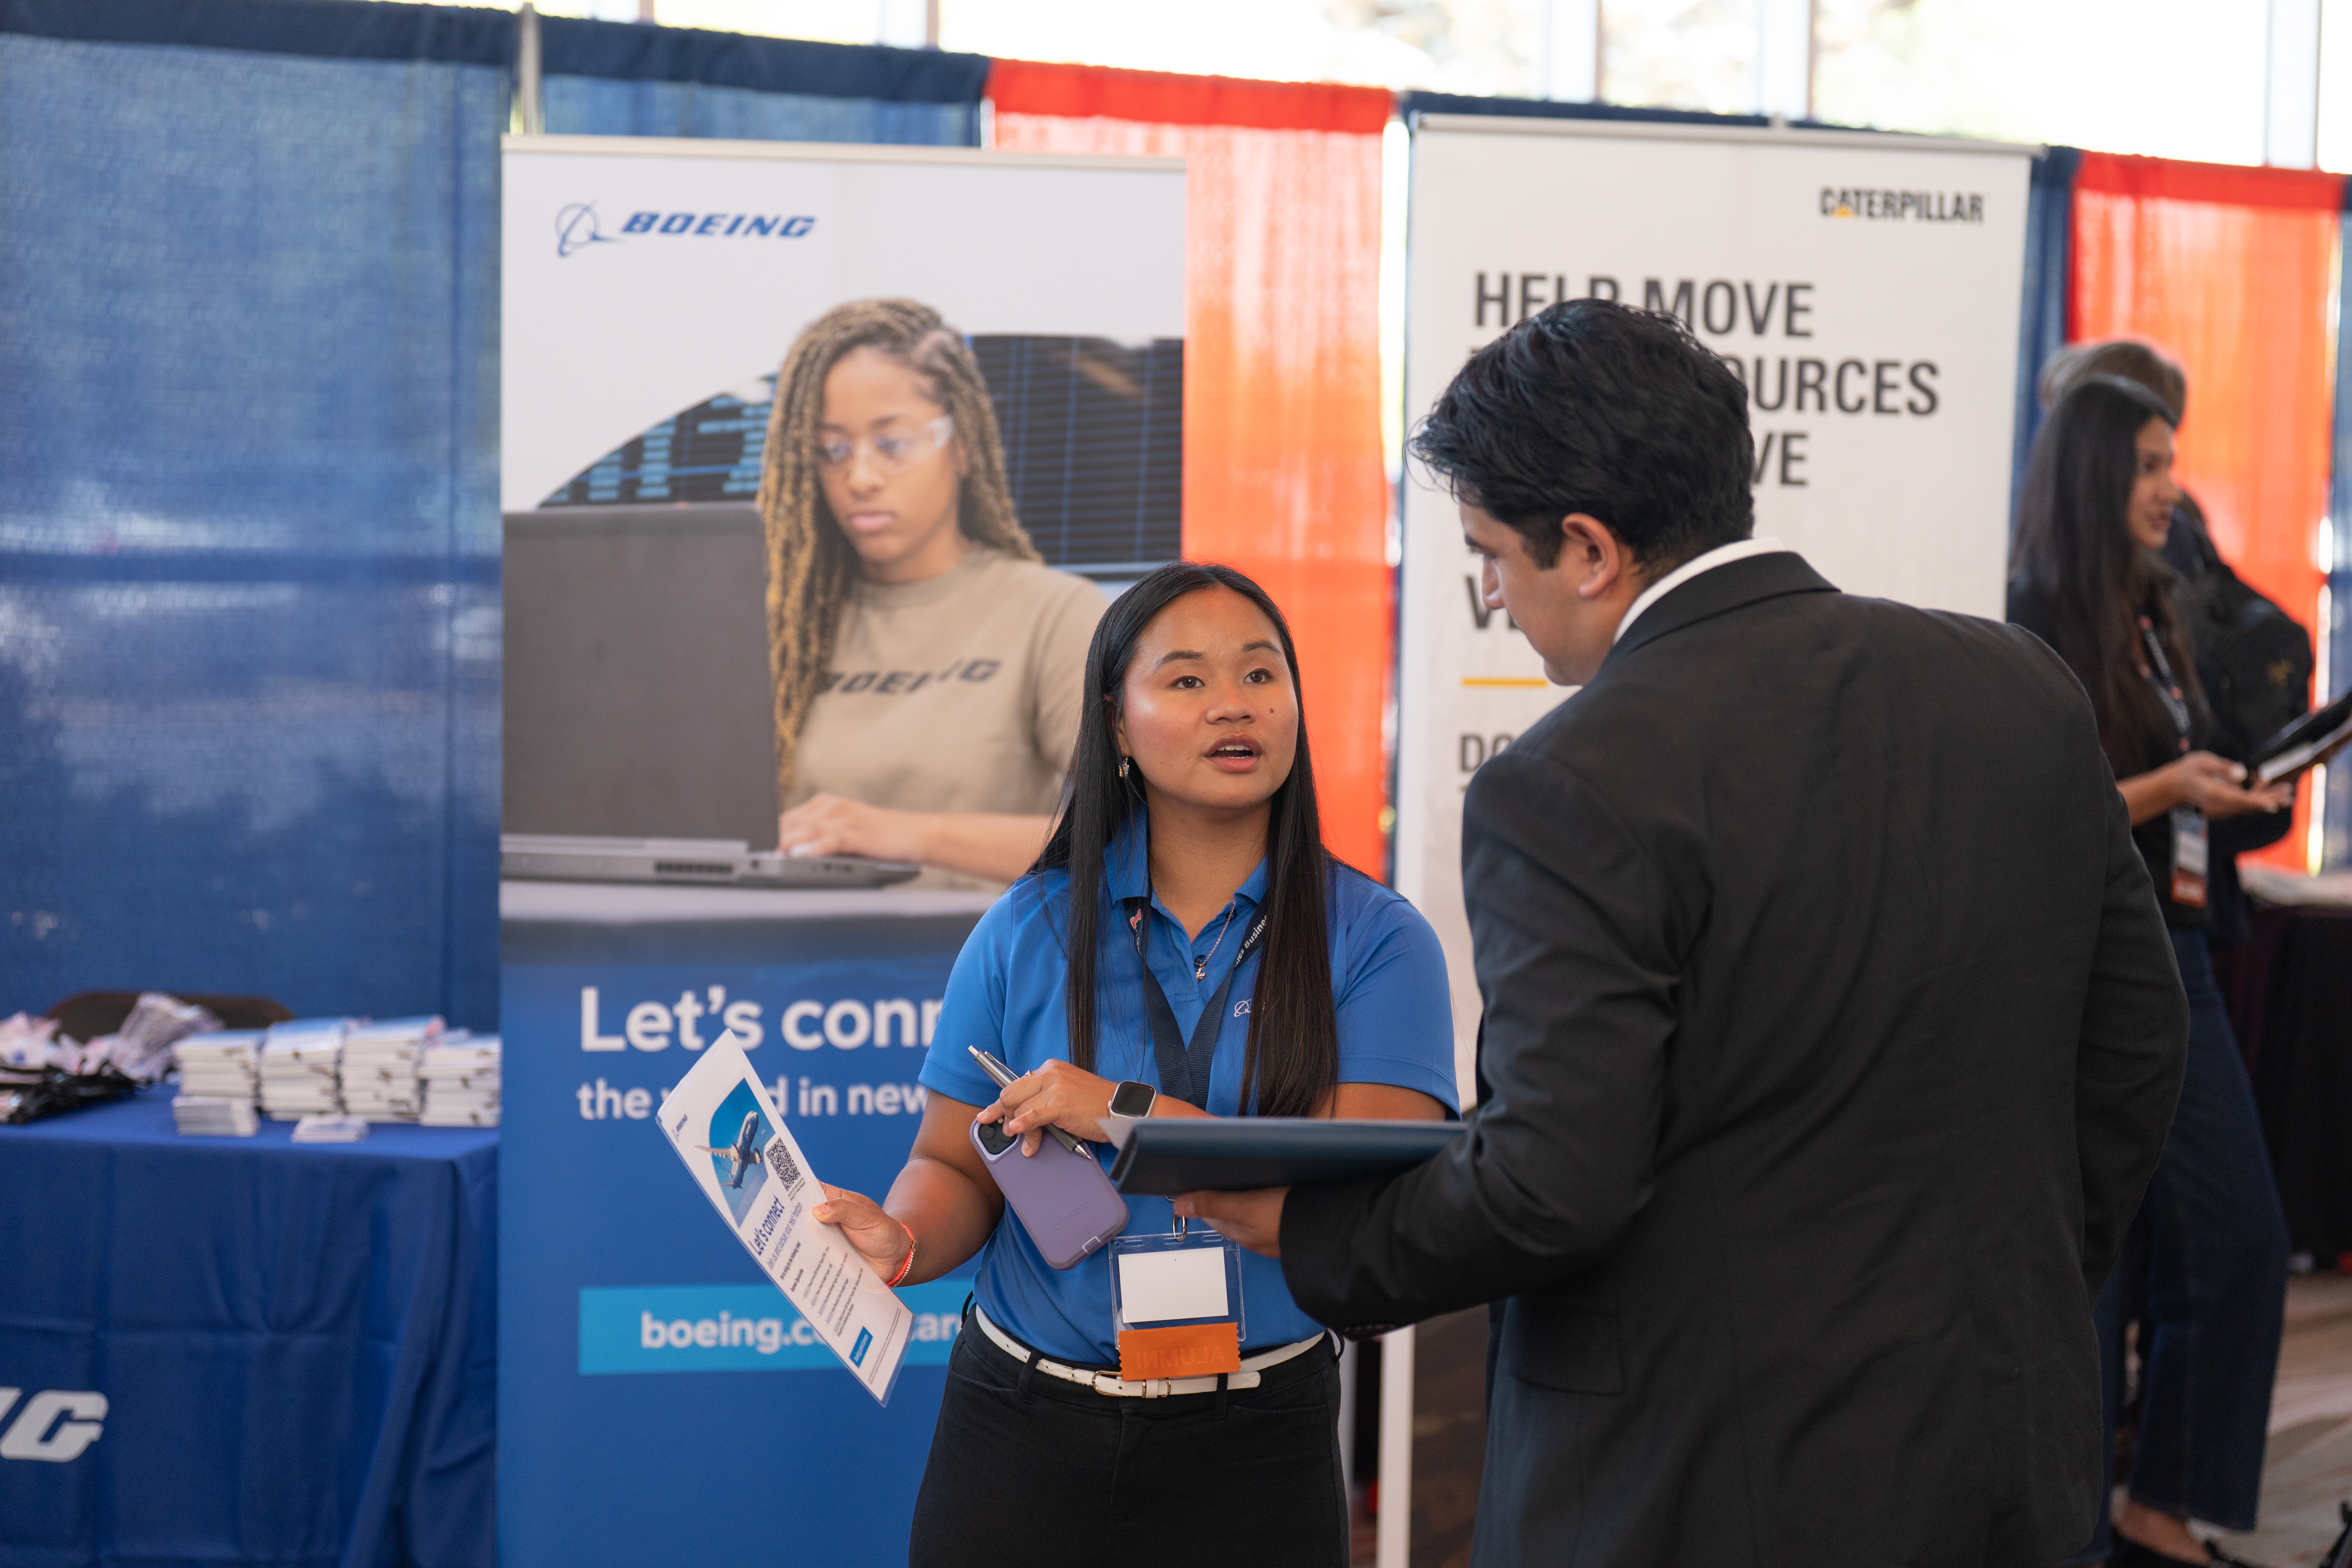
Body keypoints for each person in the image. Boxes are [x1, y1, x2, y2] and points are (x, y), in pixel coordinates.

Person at [1179, 299, 2189, 1568]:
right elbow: (2143, 1047)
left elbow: (1554, 1184)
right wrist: (2014, 1279)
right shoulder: (2018, 685)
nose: (1492, 594)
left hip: (1704, 1486)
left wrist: (1313, 1229)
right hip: (2007, 1448)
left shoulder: (1570, 783)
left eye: (1492, 554)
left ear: (1590, 549)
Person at [808, 562, 1459, 1568]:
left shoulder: (1375, 938)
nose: (1232, 704)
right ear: (1116, 724)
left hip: (1259, 1437)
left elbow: (1363, 1174)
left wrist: (1121, 1109)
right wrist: (899, 1241)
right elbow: (954, 1162)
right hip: (1022, 1426)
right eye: (1187, 680)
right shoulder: (1025, 927)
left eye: (1261, 674)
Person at [2009, 372, 2294, 1568]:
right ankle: (2089, 1528)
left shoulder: (2154, 607)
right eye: (2150, 465)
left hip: (2175, 938)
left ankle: (2160, 1508)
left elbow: (2170, 780)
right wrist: (2176, 788)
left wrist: (2224, 791)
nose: (2173, 487)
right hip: (2090, 965)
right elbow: (2037, 810)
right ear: (2094, 476)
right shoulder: (2034, 616)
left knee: (2227, 1245)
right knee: (2102, 1268)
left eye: (2173, 462)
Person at [758, 298, 1106, 888]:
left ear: (961, 445)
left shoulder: (1054, 616)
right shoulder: (778, 628)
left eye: (892, 444)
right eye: (834, 451)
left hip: (978, 976)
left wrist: (908, 836)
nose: (861, 478)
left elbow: (1146, 838)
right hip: (787, 977)